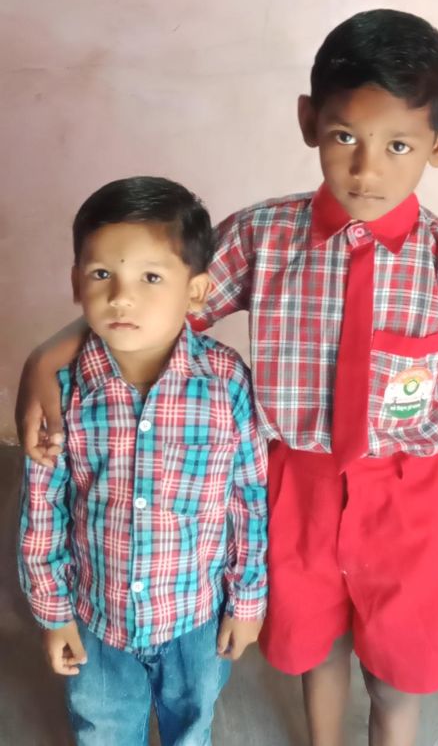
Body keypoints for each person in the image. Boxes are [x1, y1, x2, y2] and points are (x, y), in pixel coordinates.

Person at [17, 10, 438, 746]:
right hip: (294, 488)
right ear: (309, 121)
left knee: (397, 675)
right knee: (315, 649)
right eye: (344, 137)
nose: (366, 169)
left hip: (409, 503)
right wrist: (46, 357)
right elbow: (158, 304)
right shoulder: (263, 236)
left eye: (398, 145)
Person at [17, 177, 268, 746]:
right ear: (76, 282)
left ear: (196, 290)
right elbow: (43, 509)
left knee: (192, 725)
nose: (121, 298)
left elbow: (249, 500)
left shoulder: (226, 383)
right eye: (101, 274)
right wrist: (54, 613)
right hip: (98, 618)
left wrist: (247, 602)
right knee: (102, 729)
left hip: (195, 617)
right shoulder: (64, 390)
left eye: (151, 278)